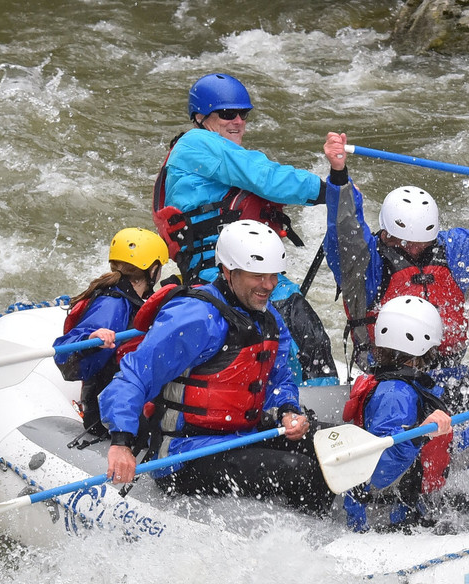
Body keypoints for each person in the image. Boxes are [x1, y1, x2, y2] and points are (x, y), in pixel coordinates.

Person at [99, 220, 334, 515]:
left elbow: (278, 380)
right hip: (186, 453)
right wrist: (120, 441)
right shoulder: (196, 317)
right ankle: (308, 543)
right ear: (227, 270)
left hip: (243, 435)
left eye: (274, 275)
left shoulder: (268, 317)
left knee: (332, 449)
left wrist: (287, 410)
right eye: (258, 275)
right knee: (300, 472)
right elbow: (133, 376)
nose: (269, 285)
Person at [321, 131, 469, 411]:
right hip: (386, 377)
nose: (413, 250)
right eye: (404, 244)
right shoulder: (364, 262)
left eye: (422, 244)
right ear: (386, 233)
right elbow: (346, 232)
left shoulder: (453, 250)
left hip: (446, 374)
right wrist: (339, 176)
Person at [153, 71, 337, 384]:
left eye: (244, 114)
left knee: (309, 338)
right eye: (227, 114)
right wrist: (330, 191)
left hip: (242, 270)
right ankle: (305, 416)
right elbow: (265, 176)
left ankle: (314, 413)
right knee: (303, 341)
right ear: (200, 117)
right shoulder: (198, 143)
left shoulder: (208, 148)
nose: (238, 121)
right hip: (223, 275)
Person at [340, 295, 469, 533]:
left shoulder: (410, 387)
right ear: (424, 346)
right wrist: (418, 436)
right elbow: (377, 472)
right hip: (386, 518)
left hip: (412, 502)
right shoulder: (396, 395)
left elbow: (450, 454)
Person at [54, 227, 169, 436]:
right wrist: (89, 339)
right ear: (152, 271)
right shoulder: (113, 305)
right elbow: (64, 353)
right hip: (108, 417)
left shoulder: (129, 299)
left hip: (122, 404)